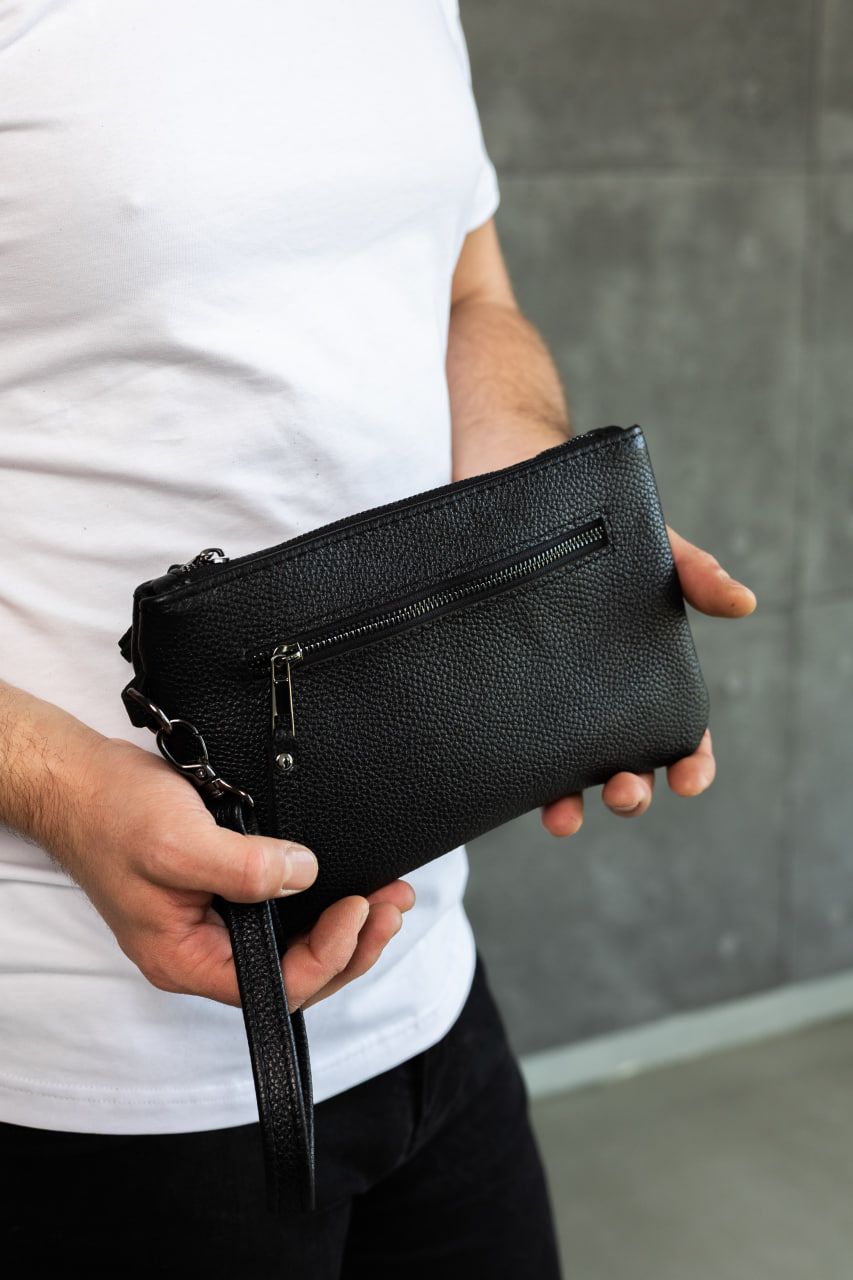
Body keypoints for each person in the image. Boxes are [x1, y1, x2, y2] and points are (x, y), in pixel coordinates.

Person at [0, 2, 757, 1275]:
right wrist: (60, 784)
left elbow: (470, 295)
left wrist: (548, 555)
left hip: (424, 981)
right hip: (85, 1067)